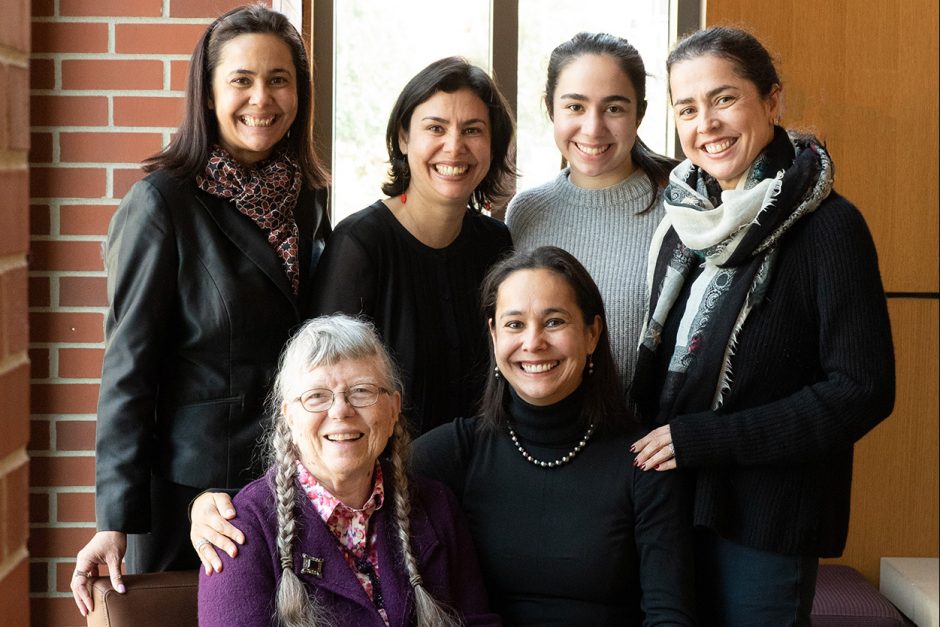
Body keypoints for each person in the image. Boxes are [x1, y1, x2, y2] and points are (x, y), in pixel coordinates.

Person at [629, 26, 895, 626]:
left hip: (767, 525)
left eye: (724, 99)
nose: (706, 124)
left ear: (771, 101)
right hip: (672, 505)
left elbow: (863, 389)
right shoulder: (682, 224)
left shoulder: (828, 227)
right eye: (687, 108)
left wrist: (705, 439)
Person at [70, 5, 331, 617]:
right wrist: (114, 520)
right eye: (241, 79)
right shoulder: (162, 205)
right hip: (194, 501)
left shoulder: (308, 199)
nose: (261, 98)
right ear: (208, 93)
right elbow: (127, 371)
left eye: (279, 79)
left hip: (286, 483)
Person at [413, 247, 696, 625]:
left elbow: (670, 617)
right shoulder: (455, 453)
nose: (533, 343)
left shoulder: (644, 461)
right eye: (514, 324)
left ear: (592, 333)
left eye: (554, 322)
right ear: (493, 334)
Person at [198, 315, 498, 626]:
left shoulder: (437, 507)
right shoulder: (240, 530)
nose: (341, 410)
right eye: (317, 396)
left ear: (394, 408)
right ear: (288, 416)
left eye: (361, 391)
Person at [311, 56, 515, 436]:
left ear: (493, 145)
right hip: (390, 477)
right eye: (435, 128)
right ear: (404, 138)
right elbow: (326, 386)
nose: (454, 147)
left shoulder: (496, 243)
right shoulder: (360, 244)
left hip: (479, 467)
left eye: (473, 130)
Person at [506, 32, 676, 393]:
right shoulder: (525, 211)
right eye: (575, 107)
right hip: (543, 437)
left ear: (639, 114)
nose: (593, 128)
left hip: (650, 440)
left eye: (614, 108)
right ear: (550, 109)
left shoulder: (680, 209)